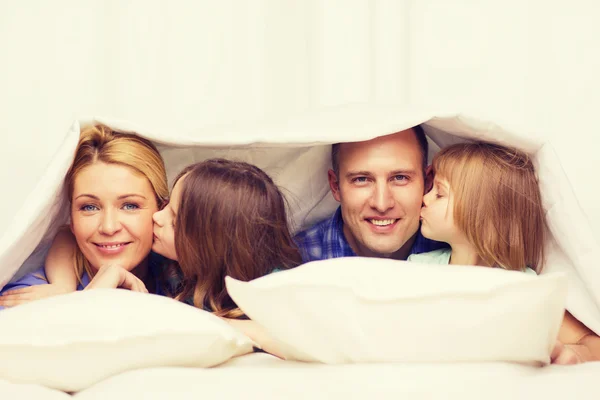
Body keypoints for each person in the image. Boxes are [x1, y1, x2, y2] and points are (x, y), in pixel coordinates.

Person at [410, 141, 600, 364]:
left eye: (439, 193)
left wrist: (574, 354)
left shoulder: (524, 286)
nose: (424, 198)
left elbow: (592, 342)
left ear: (480, 213)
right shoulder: (417, 269)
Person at [0, 124, 170, 307]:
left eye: (129, 205)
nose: (108, 227)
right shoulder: (30, 299)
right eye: (89, 207)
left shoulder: (175, 275)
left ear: (161, 210)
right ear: (71, 219)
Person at [152, 158, 302, 317]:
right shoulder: (163, 263)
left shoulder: (275, 294)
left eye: (174, 223)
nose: (157, 217)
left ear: (212, 247)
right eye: (166, 205)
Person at [294, 126, 446, 262]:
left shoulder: (459, 252)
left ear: (427, 183)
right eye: (361, 179)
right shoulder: (293, 262)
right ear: (336, 186)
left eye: (400, 178)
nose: (382, 204)